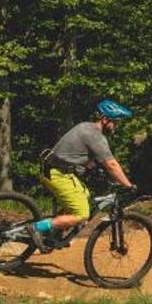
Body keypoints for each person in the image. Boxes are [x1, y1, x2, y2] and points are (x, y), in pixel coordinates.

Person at [31, 99, 137, 248]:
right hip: (57, 173)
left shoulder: (86, 127)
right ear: (105, 119)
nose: (116, 127)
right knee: (81, 215)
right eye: (115, 122)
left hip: (53, 169)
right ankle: (36, 229)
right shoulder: (95, 136)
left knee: (85, 195)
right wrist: (128, 185)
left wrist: (93, 169)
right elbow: (111, 165)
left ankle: (55, 231)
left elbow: (79, 155)